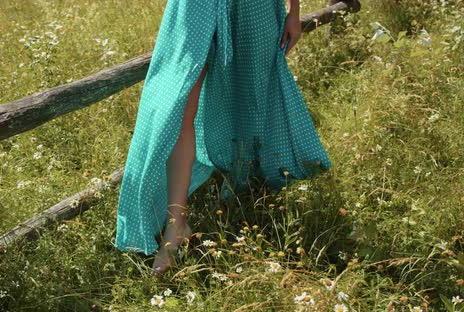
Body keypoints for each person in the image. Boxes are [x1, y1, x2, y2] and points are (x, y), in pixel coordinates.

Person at [113, 0, 331, 276]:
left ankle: (248, 183)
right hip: (196, 7)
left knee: (249, 98)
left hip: (255, 7)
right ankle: (176, 224)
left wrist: (294, 11)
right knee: (176, 104)